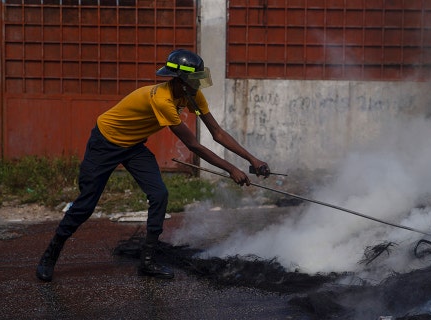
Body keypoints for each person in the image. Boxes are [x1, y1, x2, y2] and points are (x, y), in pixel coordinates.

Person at [36, 49, 270, 281]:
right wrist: (231, 169)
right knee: (86, 204)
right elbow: (194, 146)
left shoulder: (192, 95)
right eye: (194, 80)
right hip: (105, 142)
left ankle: (147, 262)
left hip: (133, 145)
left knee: (159, 194)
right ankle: (50, 256)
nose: (198, 85)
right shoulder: (163, 100)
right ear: (180, 80)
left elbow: (217, 133)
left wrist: (252, 160)